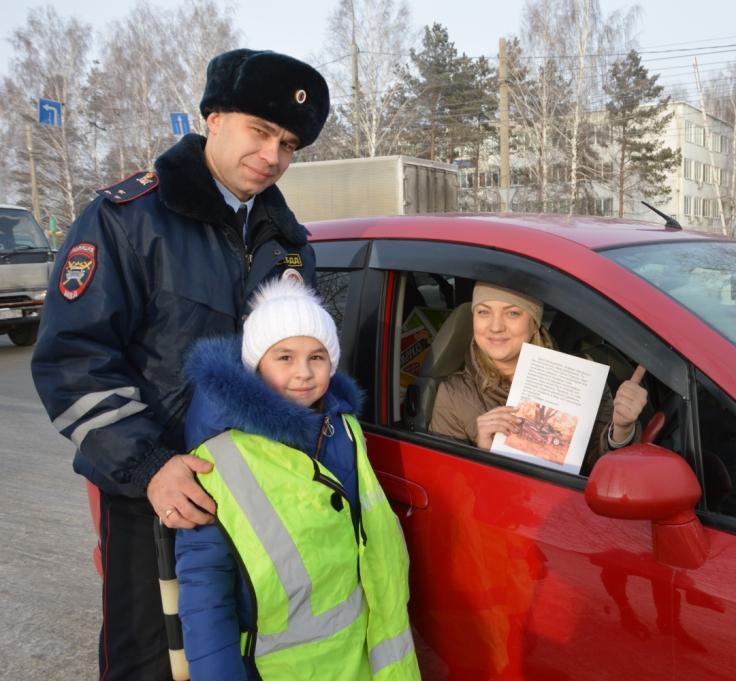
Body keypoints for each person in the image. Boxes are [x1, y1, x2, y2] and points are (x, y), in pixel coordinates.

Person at [31, 49, 330, 680]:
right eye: (261, 131)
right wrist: (151, 467)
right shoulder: (127, 220)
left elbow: (305, 362)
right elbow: (73, 361)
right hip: (153, 496)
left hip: (256, 491)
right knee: (150, 661)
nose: (273, 155)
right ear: (214, 119)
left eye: (288, 143)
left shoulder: (289, 241)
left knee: (238, 656)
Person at [175, 277, 420, 680]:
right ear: (256, 363)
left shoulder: (342, 429)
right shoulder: (218, 456)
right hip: (275, 669)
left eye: (318, 357)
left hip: (352, 657)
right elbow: (205, 590)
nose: (303, 374)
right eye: (284, 357)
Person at [429, 282, 648, 473]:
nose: (495, 327)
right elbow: (447, 486)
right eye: (484, 312)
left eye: (512, 313)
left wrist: (621, 429)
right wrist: (483, 452)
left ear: (534, 322)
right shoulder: (453, 395)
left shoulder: (579, 378)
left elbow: (599, 470)